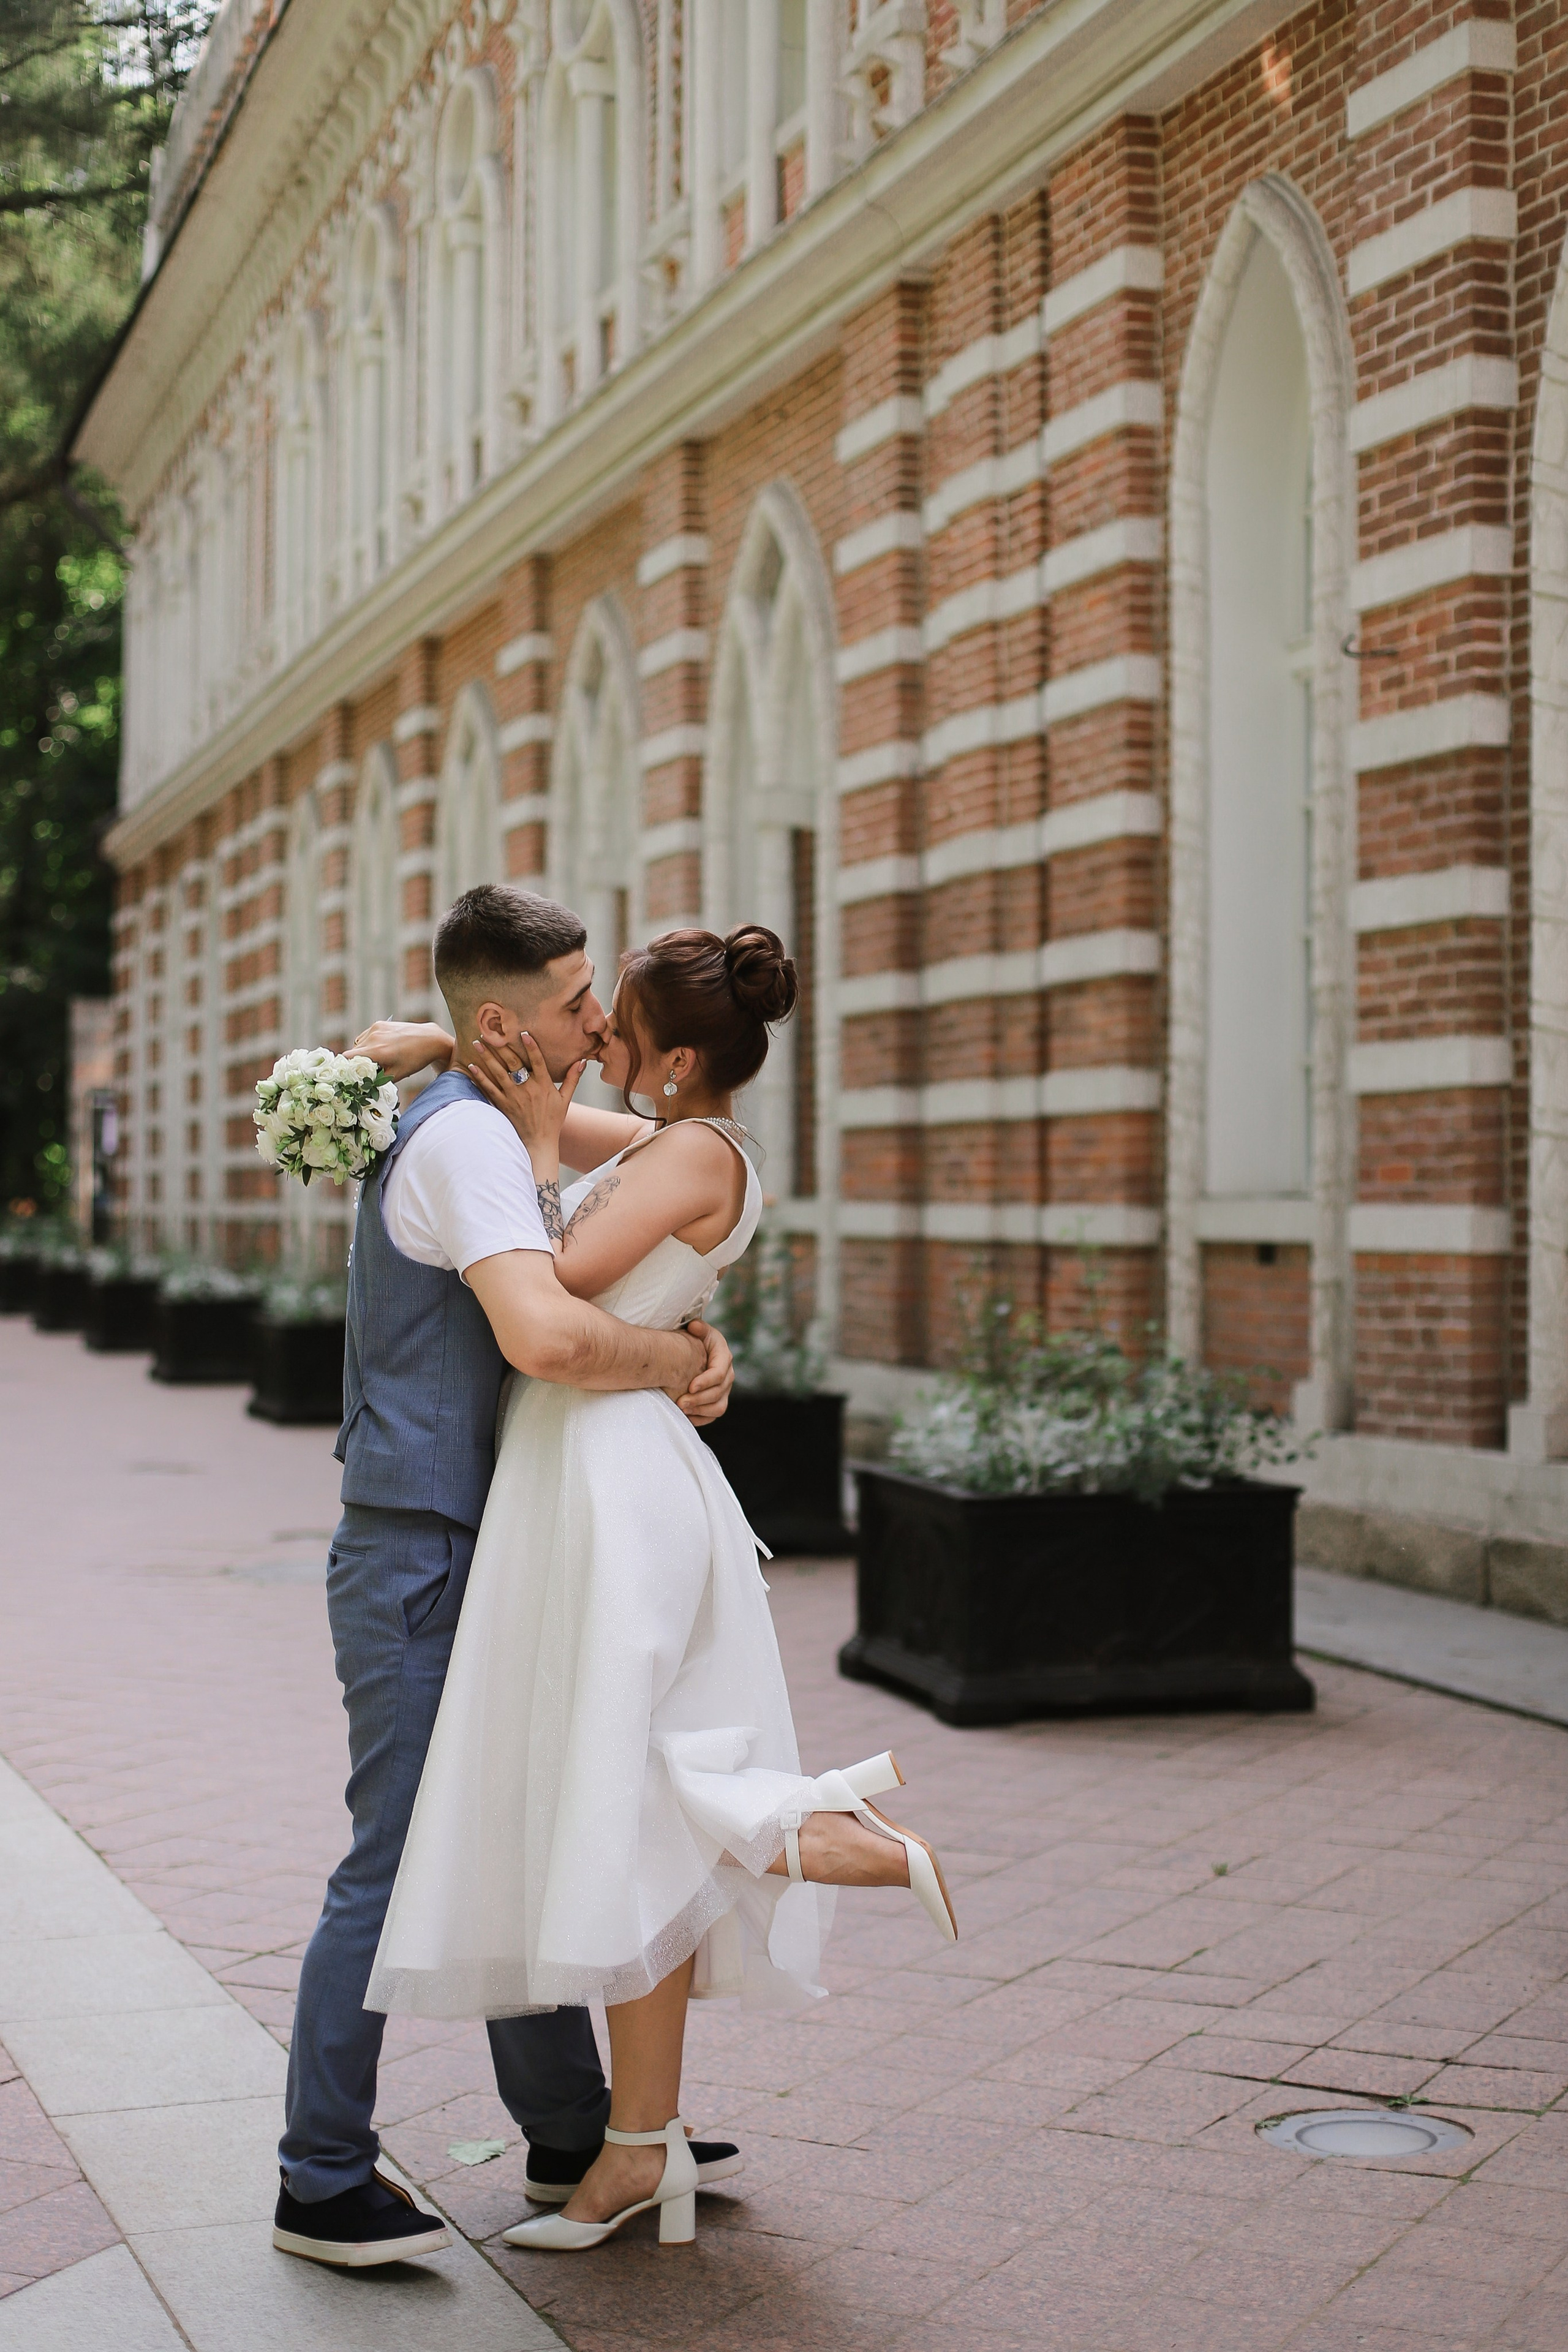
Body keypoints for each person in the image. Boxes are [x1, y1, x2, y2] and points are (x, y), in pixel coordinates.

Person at [360, 920, 957, 2255]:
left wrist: (532, 1161)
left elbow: (552, 1284)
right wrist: (443, 1045)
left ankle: (803, 1831)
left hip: (606, 1474)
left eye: (617, 1023)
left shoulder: (689, 1152)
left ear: (676, 1060)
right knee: (616, 1778)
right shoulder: (665, 1138)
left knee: (620, 1774)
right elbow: (532, 1097)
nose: (596, 1039)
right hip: (590, 1461)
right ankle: (642, 2139)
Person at [273, 886, 740, 2269]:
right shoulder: (473, 1142)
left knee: (511, 1831)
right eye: (575, 1004)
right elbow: (546, 1337)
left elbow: (669, 1154)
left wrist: (426, 1043)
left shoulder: (485, 1111)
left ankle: (569, 2134)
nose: (597, 1023)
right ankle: (318, 2180)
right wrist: (677, 1357)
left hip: (481, 1531)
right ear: (504, 1021)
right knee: (399, 1853)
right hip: (423, 1548)